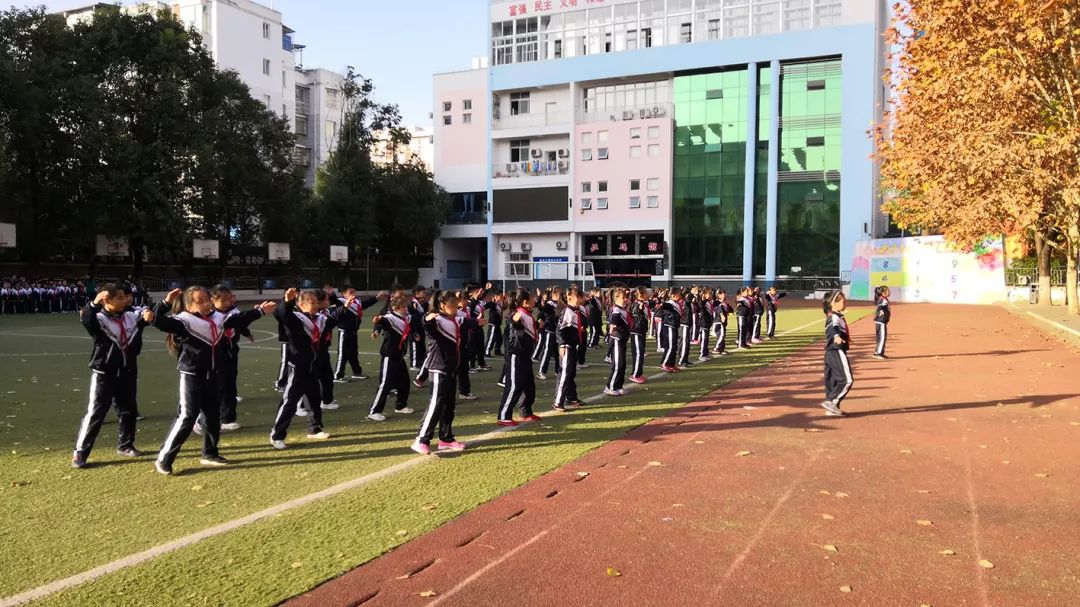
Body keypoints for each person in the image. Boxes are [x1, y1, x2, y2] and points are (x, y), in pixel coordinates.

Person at [153, 287, 274, 474]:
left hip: (213, 374)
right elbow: (162, 323)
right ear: (189, 305)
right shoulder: (184, 320)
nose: (207, 303)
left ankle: (209, 453)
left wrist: (259, 311)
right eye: (200, 301)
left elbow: (238, 319)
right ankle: (165, 458)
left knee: (212, 417)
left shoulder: (218, 318)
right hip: (192, 375)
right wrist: (157, 312)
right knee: (188, 416)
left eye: (207, 299)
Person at [71, 285, 155, 468]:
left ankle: (125, 445)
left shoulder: (130, 315)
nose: (124, 300)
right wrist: (93, 304)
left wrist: (161, 306)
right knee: (96, 413)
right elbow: (87, 320)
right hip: (105, 373)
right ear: (106, 300)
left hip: (128, 371)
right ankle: (80, 453)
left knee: (128, 410)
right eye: (119, 298)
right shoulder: (99, 319)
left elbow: (147, 315)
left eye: (124, 297)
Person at [270, 288, 351, 450]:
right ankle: (277, 434)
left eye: (316, 302)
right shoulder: (296, 319)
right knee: (290, 402)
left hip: (313, 367)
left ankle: (314, 429)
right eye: (311, 303)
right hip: (298, 367)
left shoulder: (320, 319)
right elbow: (281, 315)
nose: (315, 305)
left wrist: (344, 308)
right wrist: (287, 302)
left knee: (314, 400)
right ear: (301, 305)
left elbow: (332, 321)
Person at [412, 291, 470, 455]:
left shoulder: (453, 319)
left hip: (451, 369)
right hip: (439, 367)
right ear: (443, 305)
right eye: (453, 305)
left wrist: (477, 322)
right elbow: (425, 323)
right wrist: (427, 318)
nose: (456, 307)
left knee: (449, 405)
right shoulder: (436, 319)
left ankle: (446, 438)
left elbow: (466, 322)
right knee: (436, 403)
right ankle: (421, 439)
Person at [366, 295, 417, 422]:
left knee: (404, 382)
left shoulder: (405, 318)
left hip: (399, 355)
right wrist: (377, 327)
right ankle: (374, 411)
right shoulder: (390, 318)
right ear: (395, 307)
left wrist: (414, 335)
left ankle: (400, 406)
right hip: (390, 355)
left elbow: (409, 329)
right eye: (404, 307)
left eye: (406, 306)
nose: (406, 309)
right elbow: (382, 322)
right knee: (385, 384)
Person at [496, 288, 542, 426]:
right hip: (516, 355)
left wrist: (538, 325)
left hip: (526, 355)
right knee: (514, 386)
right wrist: (515, 321)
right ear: (525, 302)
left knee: (529, 386)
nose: (534, 301)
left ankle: (525, 412)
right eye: (532, 299)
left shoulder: (527, 313)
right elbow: (513, 324)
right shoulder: (518, 314)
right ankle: (504, 415)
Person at [333, 287, 381, 383]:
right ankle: (338, 375)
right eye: (351, 292)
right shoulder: (340, 302)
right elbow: (333, 301)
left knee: (354, 353)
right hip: (344, 332)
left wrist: (376, 298)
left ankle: (357, 372)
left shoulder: (357, 302)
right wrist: (331, 294)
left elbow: (365, 304)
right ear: (344, 294)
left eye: (354, 292)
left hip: (353, 332)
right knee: (343, 354)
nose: (353, 294)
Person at [553, 286, 587, 411]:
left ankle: (571, 397)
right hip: (566, 346)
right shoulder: (567, 311)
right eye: (577, 297)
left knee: (571, 372)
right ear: (569, 298)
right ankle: (558, 401)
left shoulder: (574, 311)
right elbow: (559, 329)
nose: (580, 300)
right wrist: (562, 344)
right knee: (565, 373)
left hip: (572, 345)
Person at [821, 291, 853, 416]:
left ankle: (831, 408)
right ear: (833, 303)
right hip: (836, 350)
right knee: (847, 379)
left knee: (832, 381)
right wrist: (836, 336)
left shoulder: (836, 316)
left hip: (830, 352)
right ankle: (832, 402)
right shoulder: (834, 316)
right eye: (842, 301)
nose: (845, 303)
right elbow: (834, 327)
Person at [604, 288, 630, 396]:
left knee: (622, 364)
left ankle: (619, 385)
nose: (625, 299)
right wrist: (613, 326)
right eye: (623, 297)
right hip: (617, 339)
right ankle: (610, 386)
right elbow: (614, 319)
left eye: (626, 297)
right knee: (618, 364)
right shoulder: (616, 309)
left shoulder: (623, 309)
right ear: (616, 298)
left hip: (622, 339)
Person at [534, 288, 559, 380]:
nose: (560, 296)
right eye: (558, 294)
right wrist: (540, 297)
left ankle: (558, 371)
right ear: (553, 295)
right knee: (547, 351)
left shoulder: (559, 305)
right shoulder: (549, 304)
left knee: (557, 353)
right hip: (549, 331)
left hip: (557, 332)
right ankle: (541, 371)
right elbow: (542, 308)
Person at [628, 287, 649, 384]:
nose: (647, 294)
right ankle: (635, 375)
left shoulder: (643, 303)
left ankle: (638, 373)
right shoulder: (636, 304)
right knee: (638, 353)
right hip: (636, 331)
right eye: (645, 293)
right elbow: (635, 314)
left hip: (641, 331)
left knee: (640, 353)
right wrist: (639, 309)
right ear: (641, 294)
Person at [659, 289, 682, 372]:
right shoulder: (670, 303)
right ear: (673, 295)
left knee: (674, 346)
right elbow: (665, 305)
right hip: (669, 326)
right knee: (670, 346)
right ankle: (664, 363)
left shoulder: (676, 303)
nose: (680, 295)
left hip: (674, 326)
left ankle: (671, 364)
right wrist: (661, 304)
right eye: (679, 294)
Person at [711, 290, 733, 356]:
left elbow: (729, 308)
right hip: (718, 321)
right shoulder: (716, 302)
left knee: (723, 335)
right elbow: (718, 309)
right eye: (722, 294)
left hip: (723, 322)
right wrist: (722, 315)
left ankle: (721, 349)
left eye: (724, 294)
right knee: (721, 335)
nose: (724, 295)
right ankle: (716, 348)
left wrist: (731, 311)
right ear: (718, 295)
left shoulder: (724, 303)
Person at [873, 285, 891, 359]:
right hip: (881, 322)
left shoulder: (883, 299)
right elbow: (879, 306)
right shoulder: (882, 299)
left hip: (880, 321)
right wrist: (880, 311)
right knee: (882, 337)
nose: (889, 292)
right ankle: (879, 353)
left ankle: (878, 352)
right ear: (883, 293)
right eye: (887, 290)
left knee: (880, 337)